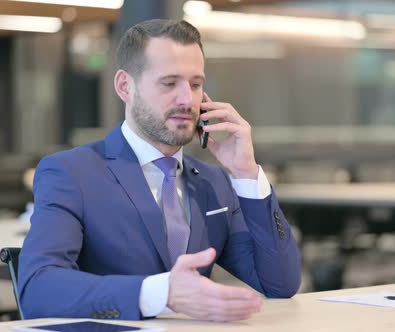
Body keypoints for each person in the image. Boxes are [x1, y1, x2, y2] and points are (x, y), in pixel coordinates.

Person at [18, 19, 301, 322]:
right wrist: (161, 294)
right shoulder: (72, 173)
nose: (187, 100)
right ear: (125, 86)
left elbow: (280, 284)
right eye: (169, 83)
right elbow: (38, 287)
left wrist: (245, 173)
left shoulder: (213, 182)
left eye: (195, 84)